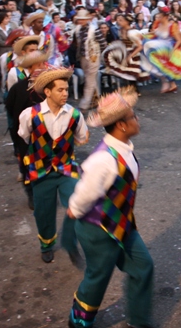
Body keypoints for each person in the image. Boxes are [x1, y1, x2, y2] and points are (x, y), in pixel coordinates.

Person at [67, 88, 154, 328]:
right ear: (122, 126)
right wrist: (74, 210)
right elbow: (84, 193)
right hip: (99, 229)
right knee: (98, 277)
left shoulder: (124, 148)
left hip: (122, 224)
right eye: (133, 117)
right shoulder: (103, 159)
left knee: (143, 266)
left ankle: (138, 321)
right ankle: (78, 320)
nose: (137, 119)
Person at [18, 67, 89, 264]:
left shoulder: (74, 114)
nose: (65, 93)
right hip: (40, 171)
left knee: (77, 204)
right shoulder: (29, 115)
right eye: (60, 90)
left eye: (66, 89)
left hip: (66, 168)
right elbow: (25, 136)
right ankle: (46, 245)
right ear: (48, 92)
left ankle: (70, 240)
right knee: (43, 212)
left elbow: (81, 137)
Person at [5, 50, 50, 208]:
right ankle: (31, 194)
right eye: (38, 65)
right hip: (25, 135)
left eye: (44, 64)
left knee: (47, 162)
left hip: (47, 133)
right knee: (27, 164)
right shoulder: (18, 88)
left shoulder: (50, 86)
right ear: (30, 68)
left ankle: (45, 192)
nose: (43, 67)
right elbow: (10, 107)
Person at [141, 6, 181, 94]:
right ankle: (170, 84)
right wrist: (144, 35)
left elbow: (179, 40)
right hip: (159, 49)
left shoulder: (172, 26)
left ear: (165, 17)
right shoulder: (159, 24)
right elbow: (155, 33)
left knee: (164, 67)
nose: (158, 18)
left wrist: (173, 50)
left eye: (160, 17)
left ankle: (170, 84)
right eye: (158, 16)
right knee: (158, 66)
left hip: (168, 49)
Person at [71, 9, 107, 111]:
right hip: (83, 57)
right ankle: (97, 100)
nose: (80, 21)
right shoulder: (78, 29)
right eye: (79, 19)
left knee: (89, 80)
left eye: (83, 19)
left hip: (93, 58)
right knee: (90, 79)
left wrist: (99, 55)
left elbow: (103, 44)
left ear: (87, 19)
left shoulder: (94, 30)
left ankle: (84, 105)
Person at [103, 14, 149, 91]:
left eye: (121, 20)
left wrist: (130, 56)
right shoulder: (120, 30)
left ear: (127, 22)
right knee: (124, 71)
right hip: (124, 51)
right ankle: (130, 88)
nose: (119, 22)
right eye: (119, 20)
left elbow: (140, 46)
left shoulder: (132, 32)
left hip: (133, 52)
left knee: (131, 71)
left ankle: (135, 90)